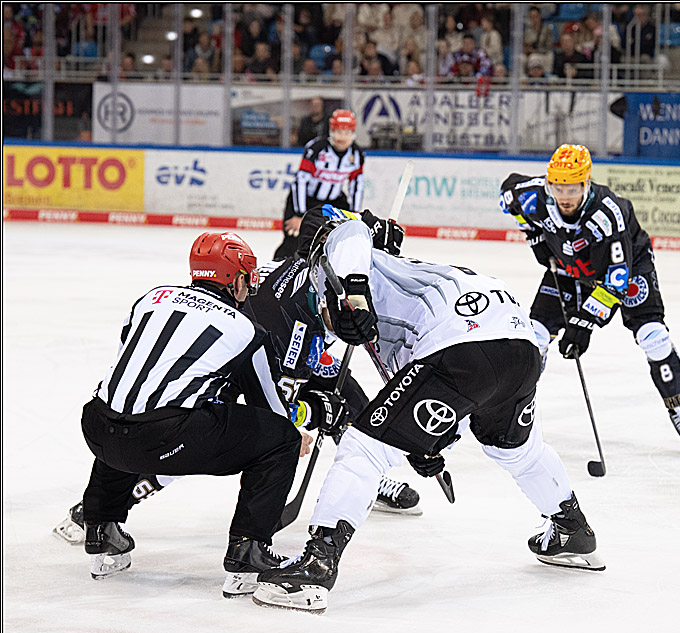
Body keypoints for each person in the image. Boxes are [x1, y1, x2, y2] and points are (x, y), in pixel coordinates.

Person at [250, 211, 605, 614]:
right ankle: (572, 530)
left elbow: (350, 232)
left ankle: (317, 565)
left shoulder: (334, 264)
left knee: (364, 447)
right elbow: (414, 385)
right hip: (518, 344)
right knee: (516, 450)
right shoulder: (402, 290)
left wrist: (355, 292)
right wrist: (426, 443)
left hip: (462, 342)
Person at [54, 210, 423, 550]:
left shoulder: (327, 271)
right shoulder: (280, 302)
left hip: (288, 345)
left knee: (350, 402)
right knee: (198, 428)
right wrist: (298, 421)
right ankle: (99, 508)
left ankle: (368, 478)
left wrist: (372, 234)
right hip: (251, 350)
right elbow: (320, 218)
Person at [77, 232, 308, 597]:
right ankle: (248, 550)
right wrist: (297, 434)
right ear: (235, 279)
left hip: (97, 429)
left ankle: (101, 529)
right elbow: (269, 408)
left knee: (125, 410)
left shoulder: (151, 299)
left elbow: (130, 357)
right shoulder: (245, 329)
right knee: (283, 440)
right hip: (164, 438)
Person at [499, 145, 680, 452]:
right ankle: (512, 412)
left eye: (572, 188)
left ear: (586, 183)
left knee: (654, 336)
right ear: (549, 183)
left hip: (628, 269)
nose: (564, 197)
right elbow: (507, 193)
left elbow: (617, 279)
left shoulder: (610, 213)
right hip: (569, 268)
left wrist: (583, 325)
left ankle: (679, 408)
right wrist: (535, 237)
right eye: (558, 188)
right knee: (535, 337)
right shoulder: (536, 195)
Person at [275, 109, 364, 261]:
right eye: (338, 132)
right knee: (294, 241)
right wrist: (299, 214)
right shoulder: (316, 148)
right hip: (306, 200)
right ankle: (276, 273)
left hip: (333, 202)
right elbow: (300, 181)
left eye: (347, 133)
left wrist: (355, 215)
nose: (342, 137)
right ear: (331, 131)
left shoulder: (356, 154)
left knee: (339, 242)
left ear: (353, 133)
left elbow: (356, 184)